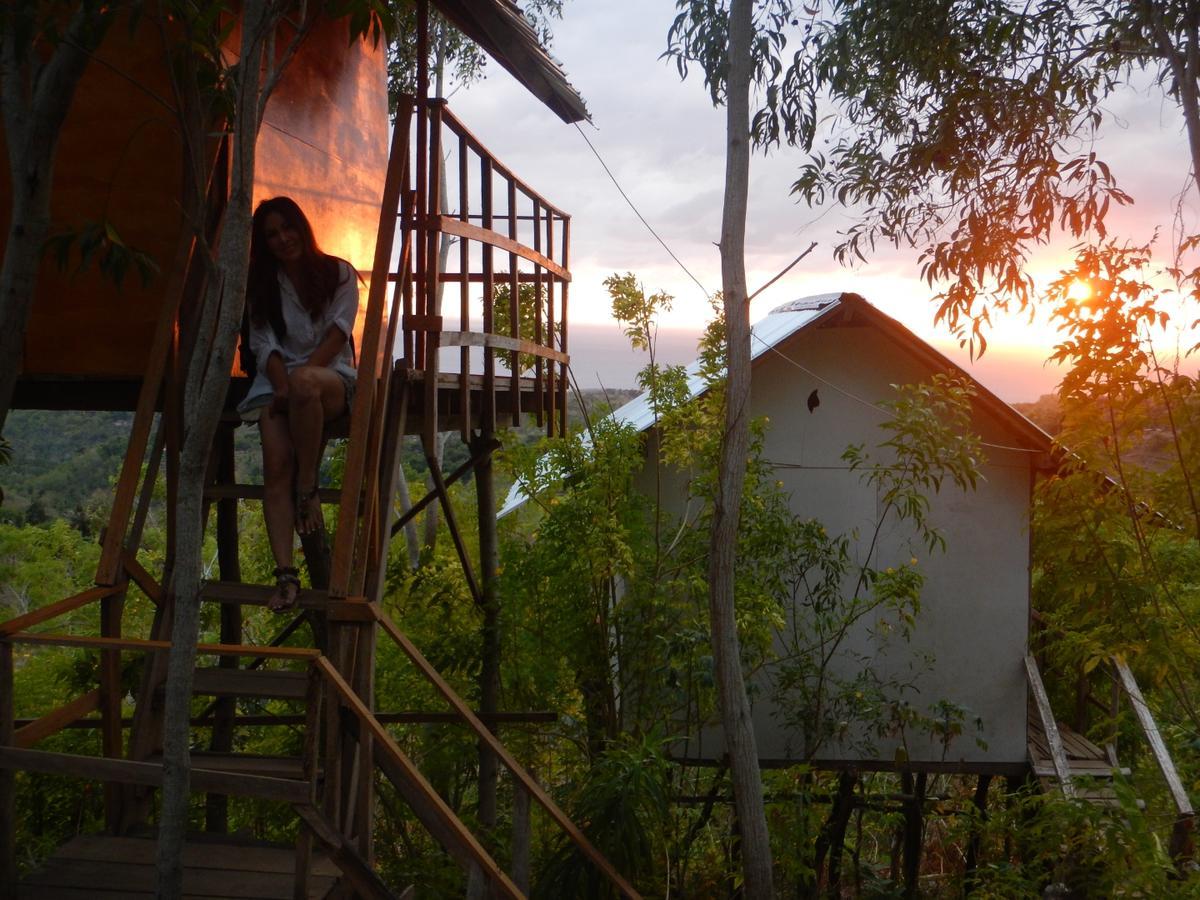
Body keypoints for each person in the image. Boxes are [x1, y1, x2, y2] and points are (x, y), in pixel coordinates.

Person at [238, 197, 359, 612]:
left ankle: (307, 486)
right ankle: (286, 575)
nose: (282, 238)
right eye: (271, 234)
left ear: (302, 227)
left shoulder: (337, 273)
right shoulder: (262, 285)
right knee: (274, 467)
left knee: (307, 382)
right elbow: (262, 342)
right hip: (276, 381)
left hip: (330, 379)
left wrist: (298, 380)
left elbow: (338, 334)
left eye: (287, 228)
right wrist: (280, 384)